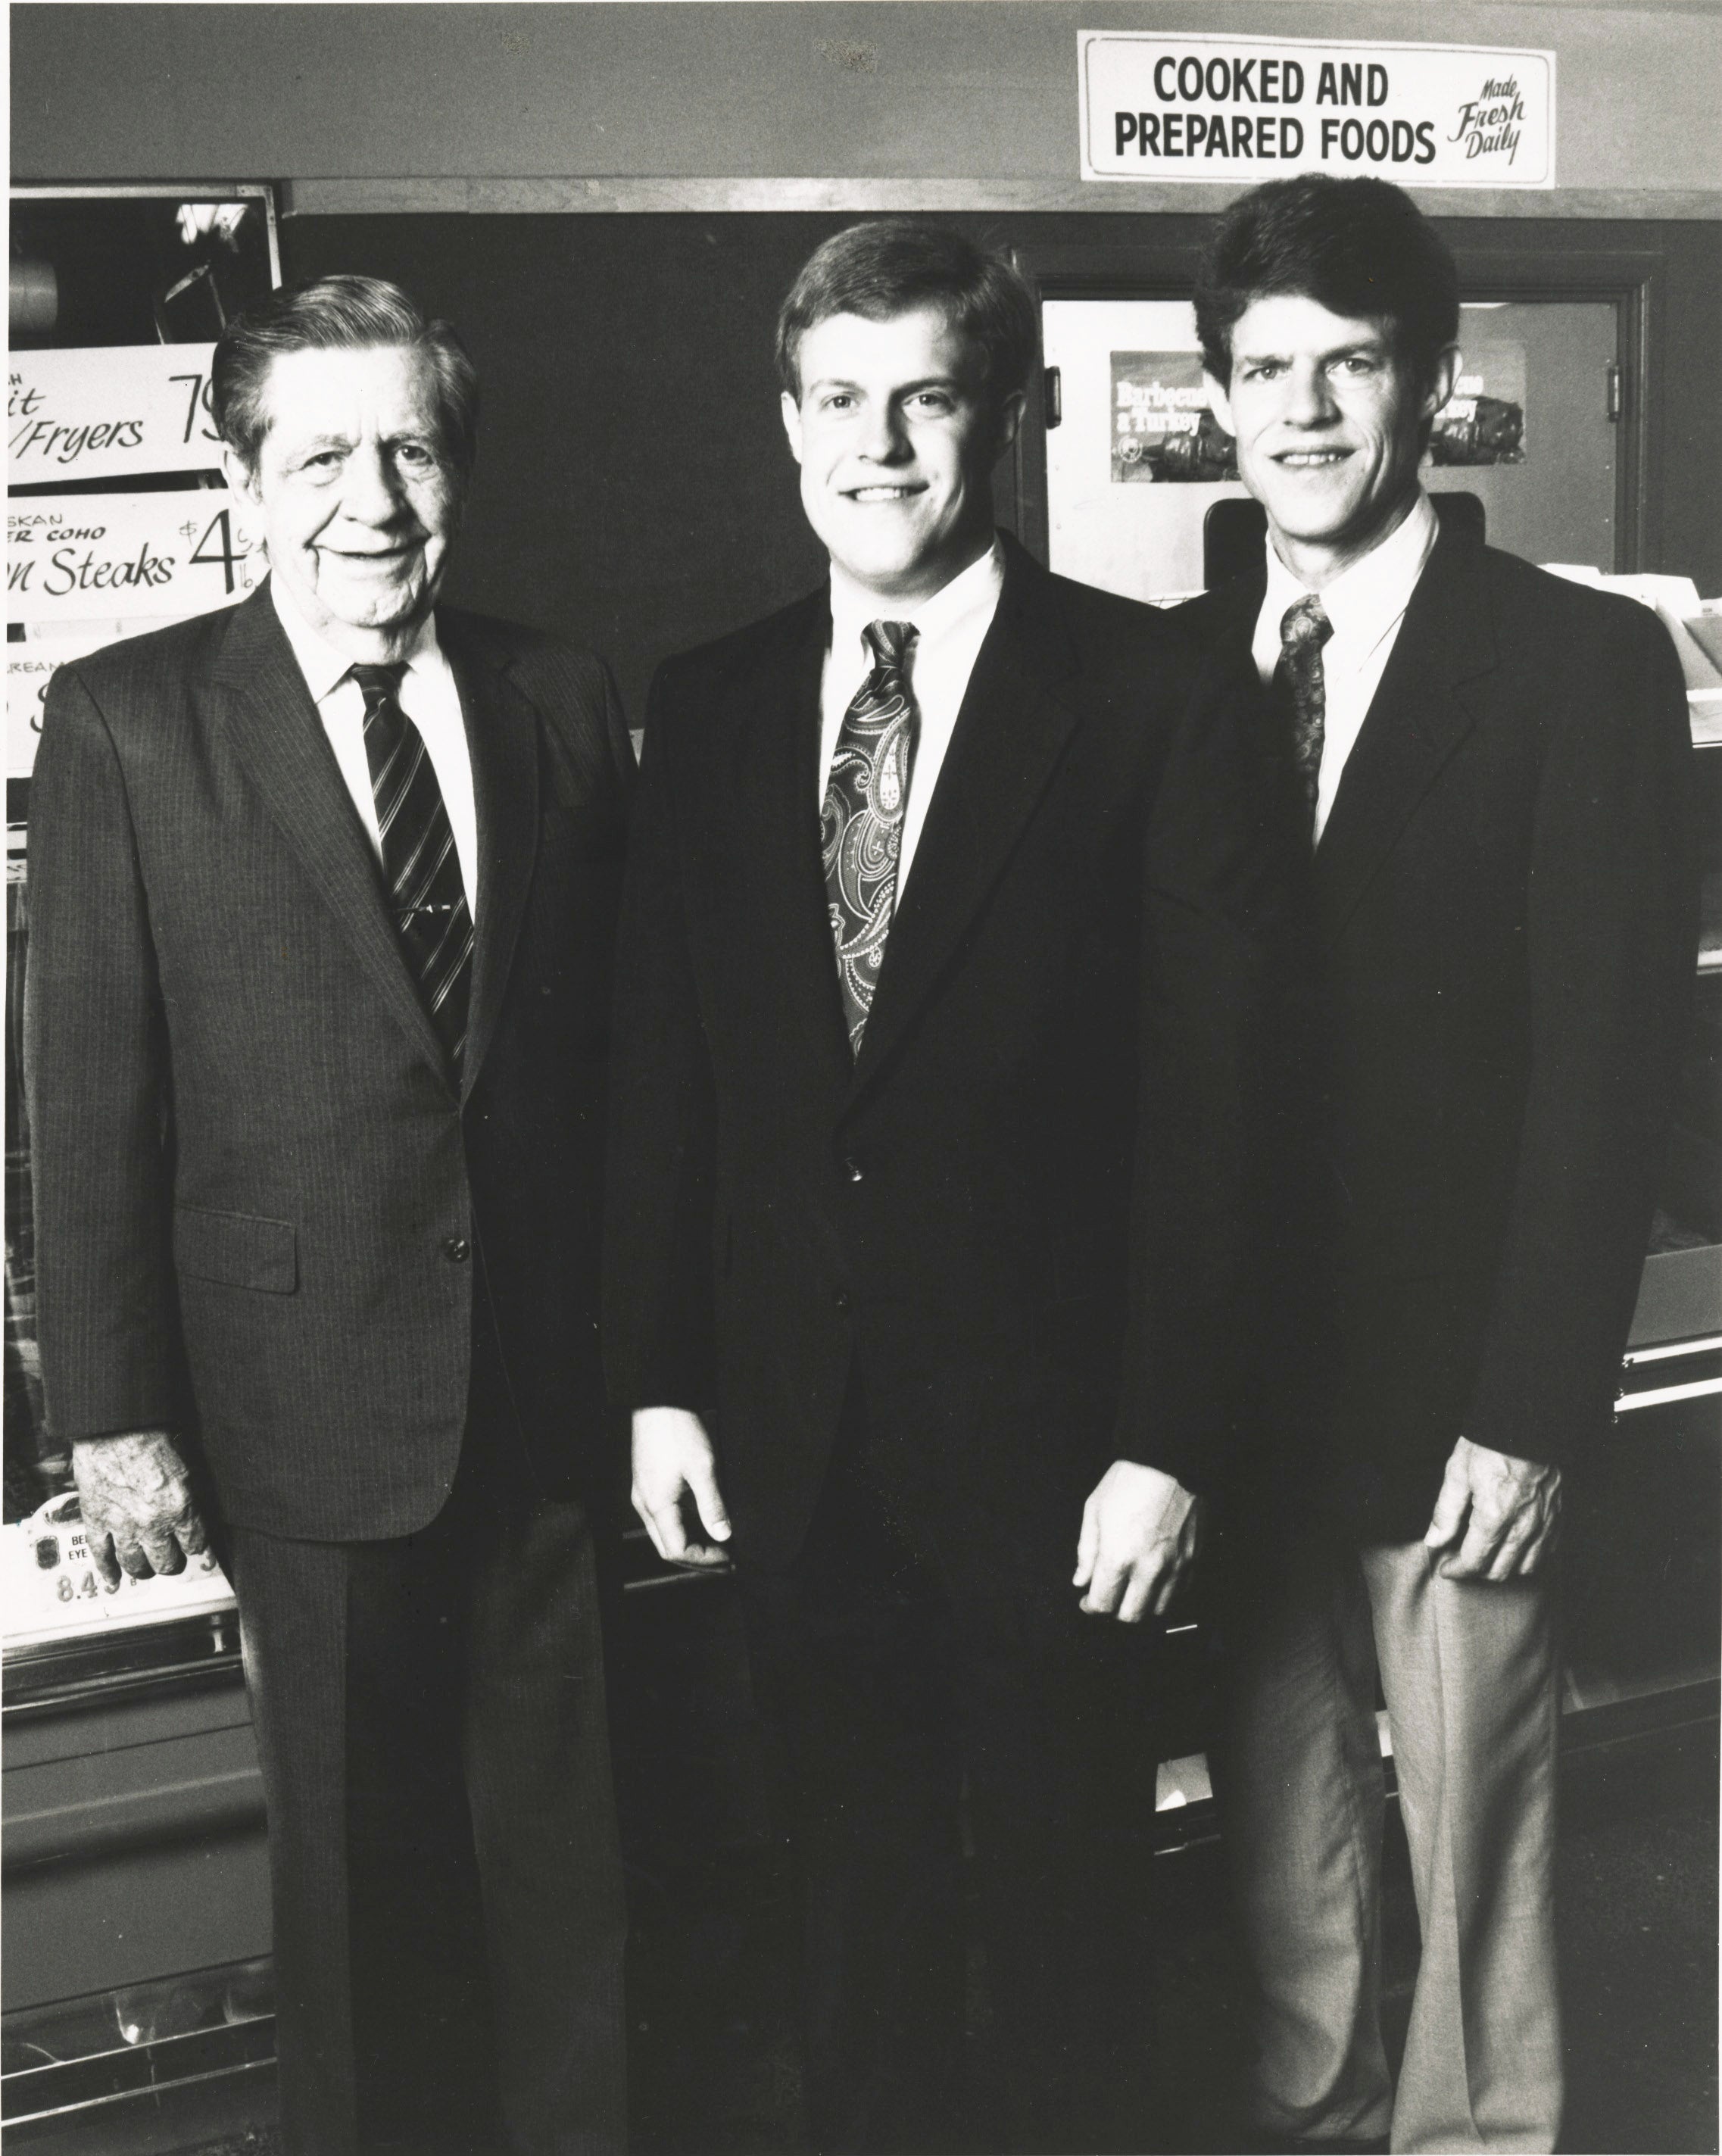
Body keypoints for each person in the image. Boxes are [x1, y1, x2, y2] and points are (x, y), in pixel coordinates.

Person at [603, 218, 1281, 2154]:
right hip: (796, 1444)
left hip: (1062, 1459)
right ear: (786, 423)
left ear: (1008, 415)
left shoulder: (1156, 693)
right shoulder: (715, 701)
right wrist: (656, 1373)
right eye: (837, 400)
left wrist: (1167, 1437)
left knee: (1067, 1931)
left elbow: (1220, 1114)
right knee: (852, 1937)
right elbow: (673, 1072)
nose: (878, 445)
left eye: (927, 398)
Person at [25, 276, 632, 2156]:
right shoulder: (130, 721)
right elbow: (90, 1094)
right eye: (319, 454)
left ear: (459, 469)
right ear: (245, 472)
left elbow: (622, 1063)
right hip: (297, 1399)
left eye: (411, 448)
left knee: (571, 1887)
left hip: (545, 1394)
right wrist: (114, 1417)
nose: (369, 497)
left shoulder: (559, 692)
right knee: (366, 1911)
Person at [1179, 175, 1696, 2154]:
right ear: (1220, 400)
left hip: (1459, 1397)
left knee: (1476, 1819)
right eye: (1262, 370)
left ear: (1435, 384)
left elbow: (1606, 1074)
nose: (1302, 410)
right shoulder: (1171, 669)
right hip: (1242, 1397)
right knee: (1279, 1819)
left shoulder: (1573, 665)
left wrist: (1532, 1410)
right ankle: (1312, 2098)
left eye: (1348, 363)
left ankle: (1482, 2136)